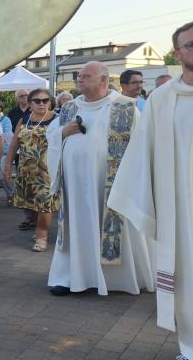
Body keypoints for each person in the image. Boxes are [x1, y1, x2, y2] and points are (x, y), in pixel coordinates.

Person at [108, 20, 193, 360]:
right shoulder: (163, 100)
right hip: (182, 209)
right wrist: (137, 199)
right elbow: (142, 152)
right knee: (189, 278)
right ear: (177, 54)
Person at [45, 62, 153, 296]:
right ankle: (69, 276)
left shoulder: (126, 108)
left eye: (86, 76)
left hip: (111, 185)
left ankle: (115, 278)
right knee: (77, 225)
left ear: (103, 80)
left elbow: (142, 146)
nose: (79, 80)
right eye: (79, 75)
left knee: (110, 225)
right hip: (74, 185)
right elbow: (51, 135)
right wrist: (63, 132)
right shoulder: (69, 108)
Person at [3, 89, 59, 252]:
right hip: (26, 169)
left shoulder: (57, 119)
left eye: (45, 100)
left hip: (47, 171)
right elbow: (14, 144)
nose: (42, 103)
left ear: (50, 102)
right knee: (28, 204)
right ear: (30, 103)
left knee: (44, 203)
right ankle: (36, 224)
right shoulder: (24, 120)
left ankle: (42, 236)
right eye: (37, 101)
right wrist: (7, 166)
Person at [0, 100, 14, 205]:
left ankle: (11, 193)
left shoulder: (6, 120)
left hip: (5, 151)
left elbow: (6, 135)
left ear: (1, 108)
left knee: (1, 176)